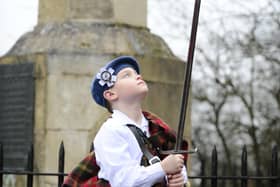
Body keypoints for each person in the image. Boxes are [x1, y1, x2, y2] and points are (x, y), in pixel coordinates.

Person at [63, 56, 190, 187]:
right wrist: (162, 168)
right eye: (127, 75)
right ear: (111, 94)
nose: (138, 76)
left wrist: (178, 177)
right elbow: (123, 181)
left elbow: (173, 164)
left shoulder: (157, 128)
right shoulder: (111, 131)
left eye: (136, 73)